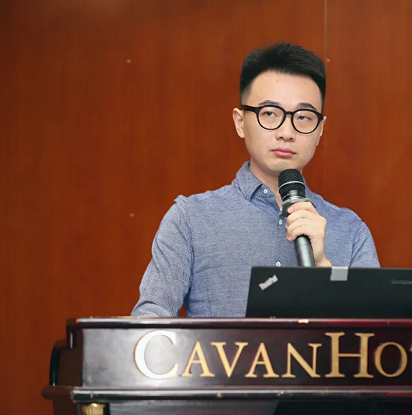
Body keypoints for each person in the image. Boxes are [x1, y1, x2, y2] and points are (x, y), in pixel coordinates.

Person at [131, 43, 380, 318]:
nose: (287, 132)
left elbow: (376, 335)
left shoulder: (351, 232)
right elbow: (149, 320)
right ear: (240, 122)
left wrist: (322, 267)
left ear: (320, 130)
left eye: (303, 117)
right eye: (270, 113)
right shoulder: (190, 219)